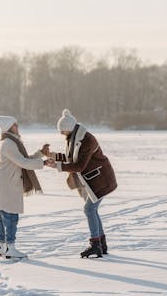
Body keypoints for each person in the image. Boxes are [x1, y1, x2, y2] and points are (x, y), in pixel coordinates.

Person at [45, 109, 117, 258]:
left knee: (89, 209)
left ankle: (95, 244)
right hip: (92, 181)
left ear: (69, 128)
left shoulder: (87, 140)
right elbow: (70, 157)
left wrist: (57, 166)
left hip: (101, 180)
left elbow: (79, 165)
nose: (61, 134)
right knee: (93, 210)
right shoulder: (74, 138)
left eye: (63, 131)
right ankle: (101, 244)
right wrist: (53, 156)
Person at [0, 113, 52, 259]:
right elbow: (23, 162)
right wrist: (43, 163)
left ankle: (2, 246)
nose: (17, 127)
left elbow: (24, 159)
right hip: (7, 184)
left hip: (7, 182)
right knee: (11, 216)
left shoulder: (12, 142)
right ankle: (10, 249)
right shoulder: (8, 144)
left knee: (4, 216)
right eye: (15, 125)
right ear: (8, 127)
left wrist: (41, 154)